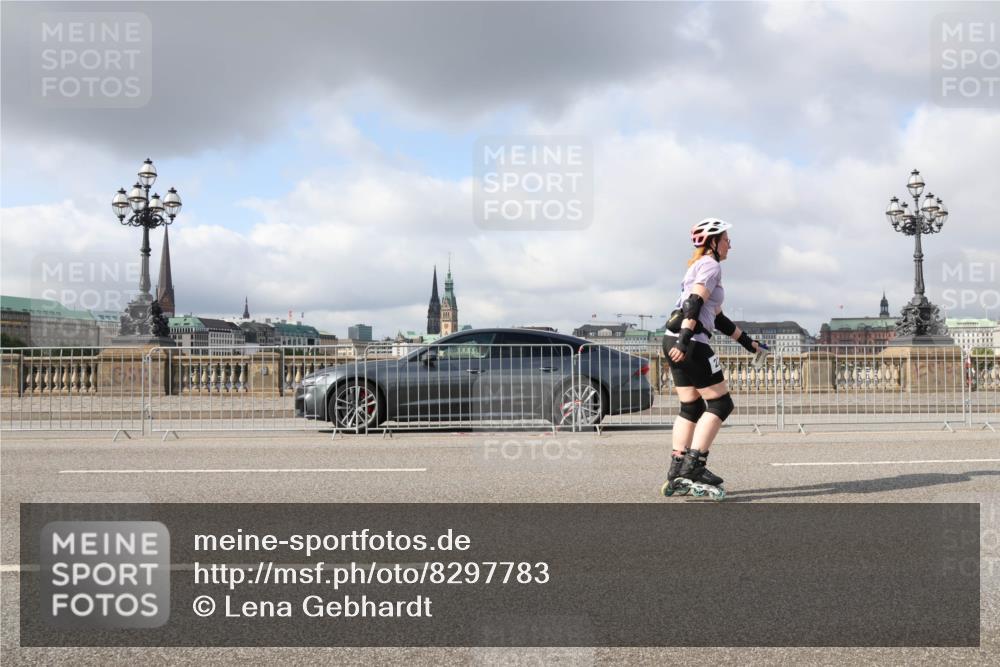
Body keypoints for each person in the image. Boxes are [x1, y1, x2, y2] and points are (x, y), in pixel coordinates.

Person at [661, 218, 764, 499]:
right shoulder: (710, 265)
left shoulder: (698, 266)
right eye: (726, 239)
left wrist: (748, 343)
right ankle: (694, 465)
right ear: (714, 242)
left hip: (673, 337)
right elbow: (693, 304)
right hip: (690, 340)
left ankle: (677, 467)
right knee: (721, 403)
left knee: (691, 407)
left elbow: (717, 319)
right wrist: (685, 341)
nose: (730, 244)